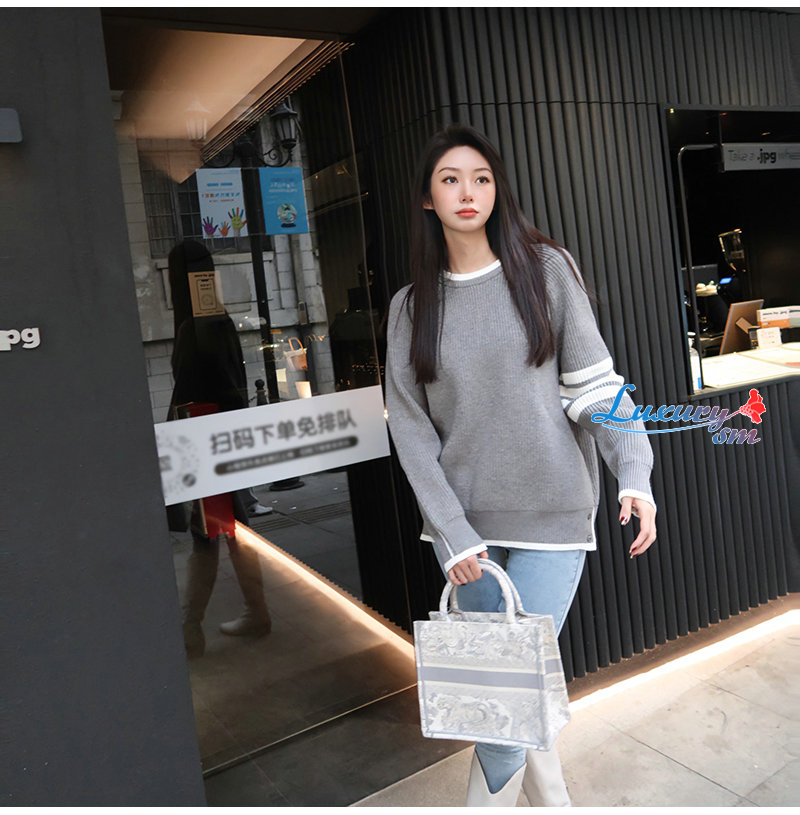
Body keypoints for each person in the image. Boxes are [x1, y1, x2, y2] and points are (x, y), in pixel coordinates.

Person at [385, 125, 657, 806]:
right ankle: (554, 802)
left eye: (480, 178)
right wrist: (450, 533)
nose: (467, 192)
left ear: (497, 189)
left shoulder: (546, 270)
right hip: (467, 537)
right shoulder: (410, 308)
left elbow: (597, 389)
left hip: (553, 513)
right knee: (515, 689)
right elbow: (412, 433)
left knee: (506, 697)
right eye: (450, 179)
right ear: (427, 199)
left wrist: (634, 470)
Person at [167, 239, 272, 659]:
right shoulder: (219, 320)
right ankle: (252, 613)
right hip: (221, 440)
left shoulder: (194, 327)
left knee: (208, 536)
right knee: (229, 531)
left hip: (205, 443)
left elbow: (190, 392)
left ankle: (191, 627)